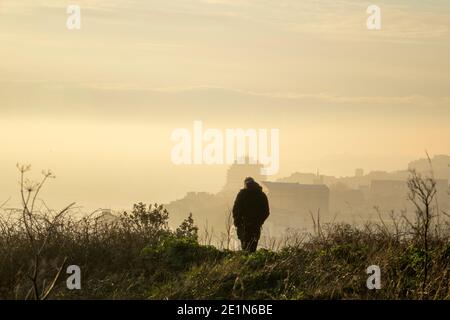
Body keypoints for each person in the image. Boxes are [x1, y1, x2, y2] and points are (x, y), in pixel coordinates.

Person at [232, 177, 270, 252]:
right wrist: (259, 222)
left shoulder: (242, 194)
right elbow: (266, 212)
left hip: (244, 226)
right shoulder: (261, 195)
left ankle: (246, 263)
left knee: (245, 248)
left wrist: (237, 222)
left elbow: (236, 210)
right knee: (252, 249)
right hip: (254, 227)